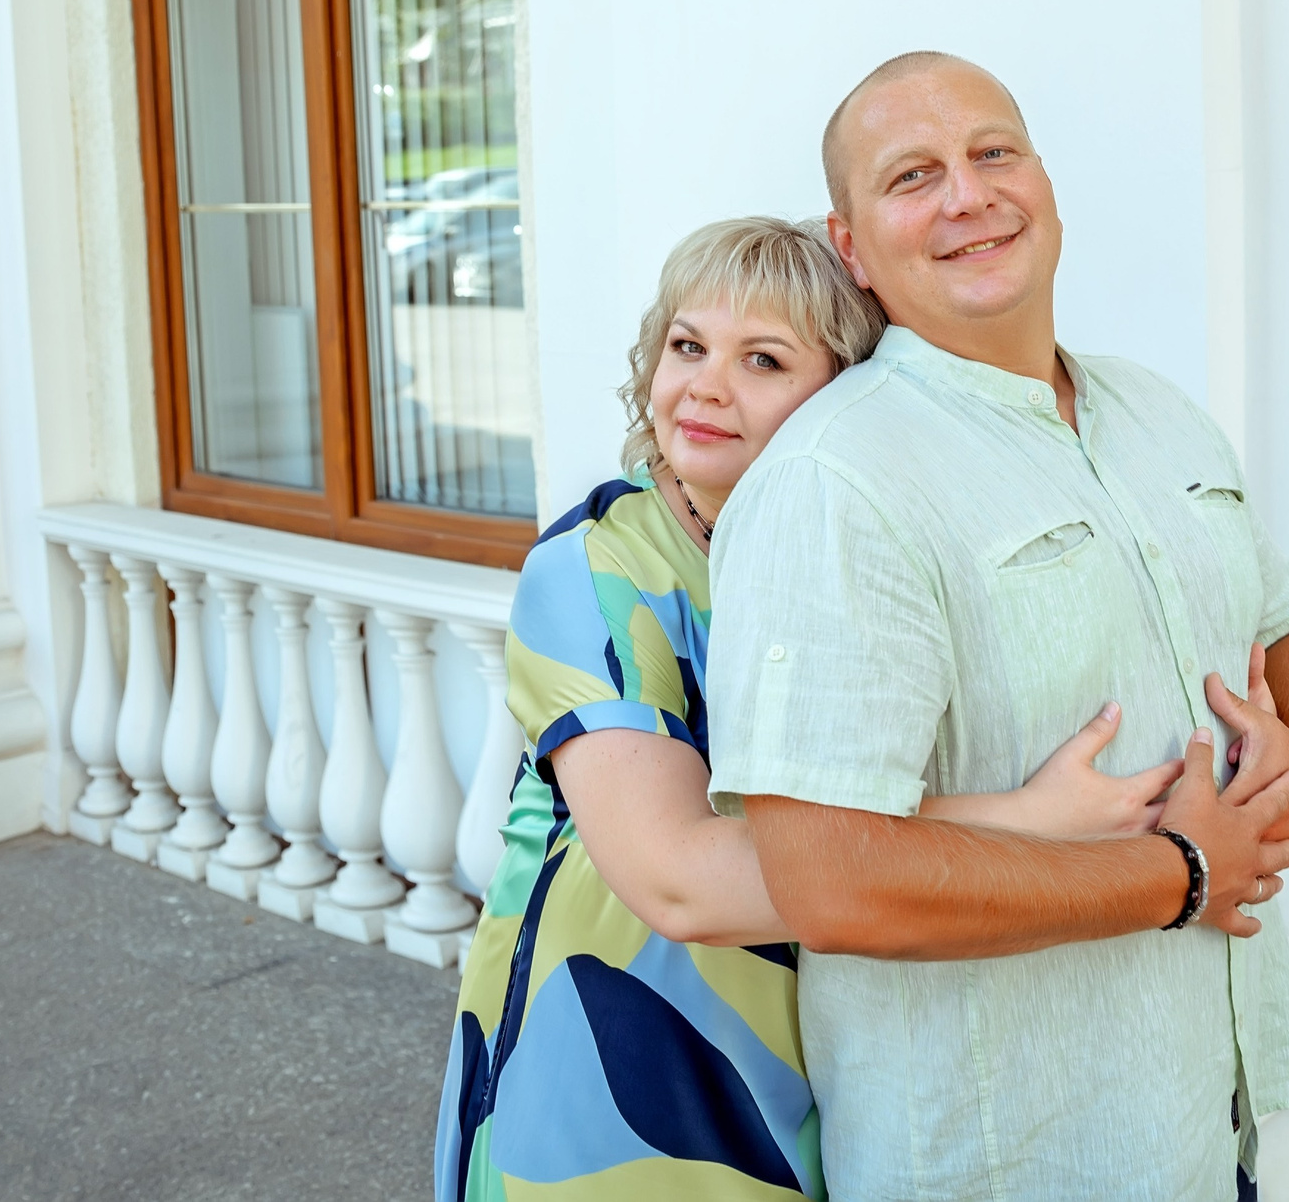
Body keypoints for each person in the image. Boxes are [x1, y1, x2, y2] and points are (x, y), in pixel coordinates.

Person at [432, 216, 1208, 1202]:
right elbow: (680, 879)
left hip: (801, 1058)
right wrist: (1029, 821)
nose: (706, 386)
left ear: (847, 394)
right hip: (611, 1066)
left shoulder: (839, 549)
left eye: (762, 360)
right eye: (687, 346)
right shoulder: (596, 565)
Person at [705, 53, 1289, 1202]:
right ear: (851, 244)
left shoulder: (1160, 414)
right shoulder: (835, 480)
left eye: (992, 152)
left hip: (1213, 1126)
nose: (968, 194)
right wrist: (1180, 872)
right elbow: (828, 880)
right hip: (1010, 1158)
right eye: (912, 175)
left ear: (1044, 182)